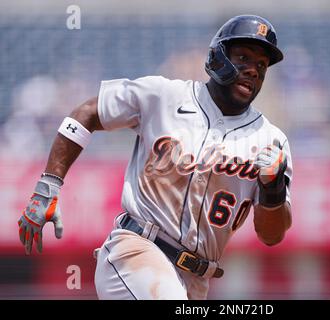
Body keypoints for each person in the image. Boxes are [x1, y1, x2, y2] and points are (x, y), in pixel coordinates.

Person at [18, 14, 293, 300]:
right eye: (243, 58)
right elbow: (88, 112)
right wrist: (47, 186)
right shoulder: (164, 96)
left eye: (261, 65)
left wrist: (273, 189)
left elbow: (271, 236)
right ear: (217, 58)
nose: (253, 70)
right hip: (136, 250)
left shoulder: (271, 141)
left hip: (197, 279)